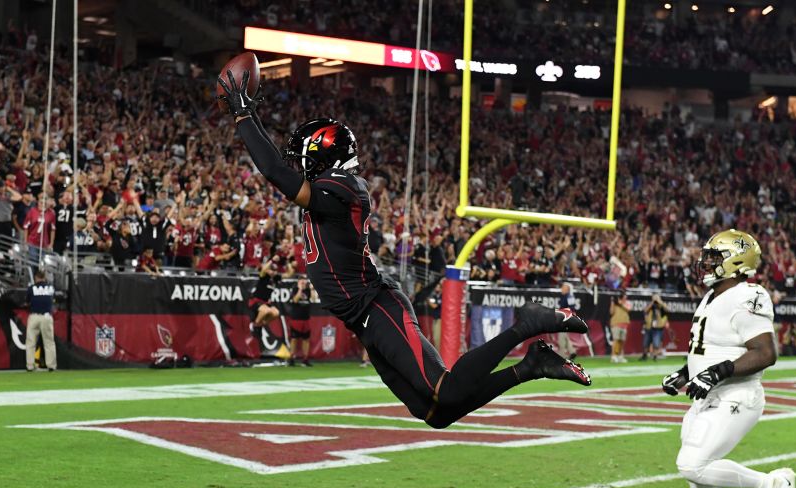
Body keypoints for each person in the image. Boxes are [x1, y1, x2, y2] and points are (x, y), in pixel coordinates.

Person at [218, 70, 592, 429]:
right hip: (362, 317)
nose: (297, 162)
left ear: (323, 154)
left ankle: (527, 324)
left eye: (303, 154)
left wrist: (244, 114)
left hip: (376, 305)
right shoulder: (331, 188)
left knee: (444, 390)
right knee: (435, 413)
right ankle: (530, 367)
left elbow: (275, 173)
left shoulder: (343, 187)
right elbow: (280, 170)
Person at [661, 229, 796, 488]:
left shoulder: (747, 295)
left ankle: (774, 484)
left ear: (737, 262)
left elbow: (765, 353)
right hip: (709, 394)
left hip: (739, 393)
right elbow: (712, 346)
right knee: (696, 471)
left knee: (692, 464)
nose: (705, 262)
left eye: (714, 257)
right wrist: (685, 372)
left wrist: (718, 372)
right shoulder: (712, 295)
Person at [25, 268, 57, 371]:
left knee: (30, 342)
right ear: (44, 278)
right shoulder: (51, 288)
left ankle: (30, 366)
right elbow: (53, 300)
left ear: (36, 278)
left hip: (34, 316)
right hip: (47, 316)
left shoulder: (31, 288)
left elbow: (27, 302)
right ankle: (51, 366)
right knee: (49, 342)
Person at [248, 255, 282, 328]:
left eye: (274, 270)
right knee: (265, 311)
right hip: (256, 300)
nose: (273, 272)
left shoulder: (276, 279)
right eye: (271, 270)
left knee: (276, 313)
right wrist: (272, 260)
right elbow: (263, 269)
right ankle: (254, 325)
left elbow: (288, 274)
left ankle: (261, 325)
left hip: (265, 302)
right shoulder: (264, 276)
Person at [287, 274, 313, 366]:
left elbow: (313, 299)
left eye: (305, 280)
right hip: (296, 319)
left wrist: (312, 289)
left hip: (306, 318)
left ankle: (305, 359)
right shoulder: (294, 289)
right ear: (298, 281)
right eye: (301, 280)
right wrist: (300, 289)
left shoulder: (308, 290)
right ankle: (291, 358)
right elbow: (295, 300)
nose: (303, 281)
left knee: (306, 339)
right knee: (294, 339)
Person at [641, 293, 668, 361]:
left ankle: (655, 356)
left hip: (658, 327)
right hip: (649, 326)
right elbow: (645, 310)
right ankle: (644, 356)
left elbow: (667, 310)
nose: (655, 299)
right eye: (654, 297)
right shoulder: (650, 304)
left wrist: (659, 301)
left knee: (656, 343)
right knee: (646, 342)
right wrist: (652, 302)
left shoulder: (661, 305)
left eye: (656, 297)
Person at [556, 281, 578, 360]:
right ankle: (572, 352)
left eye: (563, 288)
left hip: (566, 318)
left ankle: (562, 355)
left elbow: (572, 308)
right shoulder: (564, 296)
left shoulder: (569, 296)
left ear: (567, 289)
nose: (561, 289)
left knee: (561, 336)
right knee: (564, 336)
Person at [609, 289, 631, 363]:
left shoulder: (627, 303)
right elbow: (611, 312)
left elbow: (628, 309)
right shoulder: (615, 303)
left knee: (622, 341)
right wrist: (613, 303)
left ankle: (620, 356)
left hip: (624, 324)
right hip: (616, 323)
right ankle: (613, 356)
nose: (625, 297)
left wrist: (620, 303)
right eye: (624, 295)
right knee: (616, 340)